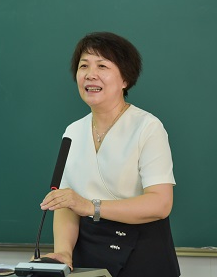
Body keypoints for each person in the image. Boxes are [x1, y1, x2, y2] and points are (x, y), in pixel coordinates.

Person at [40, 32, 180, 277]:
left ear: (125, 78)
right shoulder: (73, 131)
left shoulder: (147, 127)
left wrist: (90, 206)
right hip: (88, 256)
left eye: (102, 66)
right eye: (84, 66)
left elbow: (161, 203)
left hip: (142, 256)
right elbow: (66, 204)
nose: (90, 74)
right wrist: (63, 252)